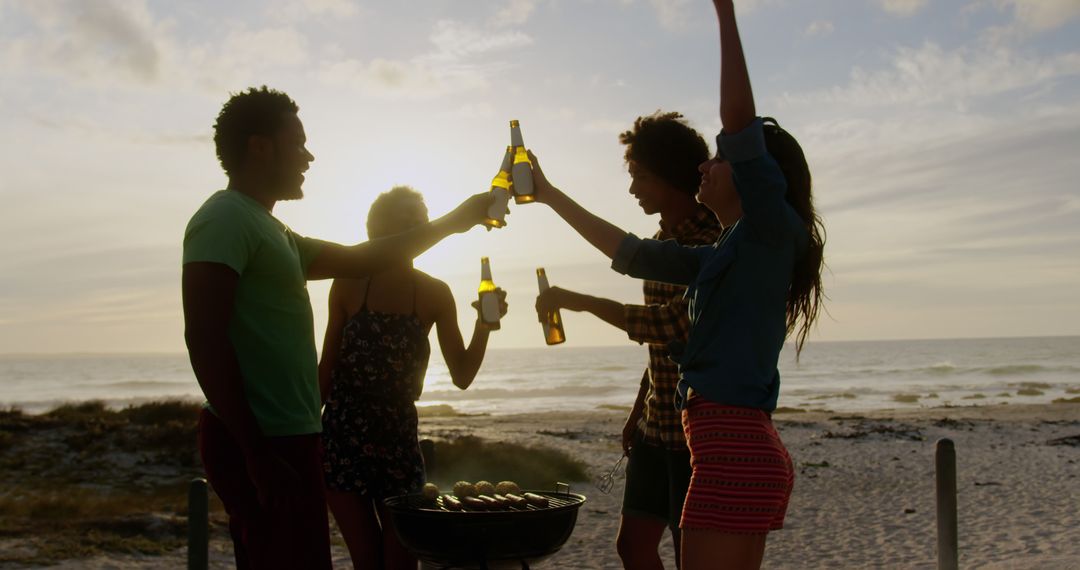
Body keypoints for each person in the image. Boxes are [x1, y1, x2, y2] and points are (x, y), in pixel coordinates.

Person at [526, 0, 826, 565]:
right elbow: (631, 253)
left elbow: (739, 126)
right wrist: (548, 194)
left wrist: (724, 14)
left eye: (719, 160)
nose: (706, 169)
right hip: (722, 444)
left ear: (755, 178)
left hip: (732, 445)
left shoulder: (767, 232)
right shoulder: (722, 255)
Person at [182, 86, 492, 569]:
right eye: (298, 143)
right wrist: (256, 453)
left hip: (293, 435)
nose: (308, 156)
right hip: (263, 438)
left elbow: (366, 256)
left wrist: (457, 220)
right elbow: (203, 338)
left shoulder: (276, 231)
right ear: (260, 146)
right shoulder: (224, 218)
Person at [534, 112, 723, 569]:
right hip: (656, 425)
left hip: (693, 431)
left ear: (666, 173)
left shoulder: (710, 241)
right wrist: (639, 407)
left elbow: (672, 327)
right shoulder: (663, 238)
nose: (633, 188)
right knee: (632, 546)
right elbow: (663, 350)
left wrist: (579, 301)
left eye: (639, 175)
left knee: (688, 553)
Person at [319, 186, 508, 569]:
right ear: (378, 228)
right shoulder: (348, 283)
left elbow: (462, 375)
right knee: (366, 561)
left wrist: (486, 324)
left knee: (402, 560)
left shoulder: (435, 292)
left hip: (398, 440)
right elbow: (327, 369)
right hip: (341, 438)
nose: (414, 227)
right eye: (404, 220)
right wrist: (303, 436)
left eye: (418, 221)